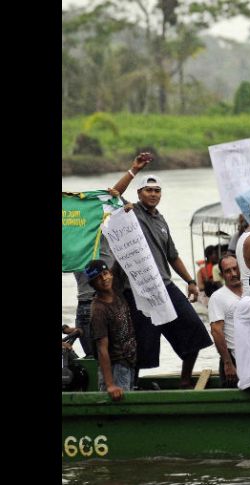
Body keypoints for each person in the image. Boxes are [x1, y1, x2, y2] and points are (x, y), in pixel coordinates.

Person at [117, 172, 213, 389]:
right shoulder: (129, 212)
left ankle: (185, 379)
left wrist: (190, 280)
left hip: (165, 286)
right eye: (148, 190)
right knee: (140, 343)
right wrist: (133, 170)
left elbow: (173, 256)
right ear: (139, 193)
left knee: (194, 329)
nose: (153, 194)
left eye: (157, 190)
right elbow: (113, 194)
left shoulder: (161, 220)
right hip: (138, 289)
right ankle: (132, 385)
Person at [71, 152, 152, 357]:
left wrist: (134, 170)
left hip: (113, 303)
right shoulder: (72, 245)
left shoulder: (104, 235)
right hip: (90, 306)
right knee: (99, 361)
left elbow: (113, 195)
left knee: (121, 358)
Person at [84, 258, 137, 402]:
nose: (104, 279)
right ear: (92, 284)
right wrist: (110, 385)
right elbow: (102, 349)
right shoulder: (99, 310)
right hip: (115, 368)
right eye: (98, 278)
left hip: (129, 362)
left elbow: (122, 259)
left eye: (106, 273)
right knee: (119, 409)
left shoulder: (116, 290)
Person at [207, 255, 242, 388]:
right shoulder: (218, 297)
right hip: (232, 358)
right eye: (228, 271)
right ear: (222, 275)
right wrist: (228, 363)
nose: (233, 274)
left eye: (235, 269)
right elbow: (216, 331)